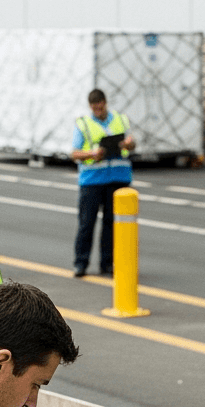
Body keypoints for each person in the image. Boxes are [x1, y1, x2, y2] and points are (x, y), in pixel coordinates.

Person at [69, 88, 135, 278]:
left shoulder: (120, 119)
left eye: (101, 107)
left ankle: (107, 263)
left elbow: (132, 143)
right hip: (92, 180)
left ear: (105, 103)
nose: (98, 111)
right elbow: (74, 153)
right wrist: (92, 153)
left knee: (111, 225)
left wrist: (129, 144)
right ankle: (81, 263)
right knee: (86, 224)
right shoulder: (83, 124)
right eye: (95, 108)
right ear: (90, 106)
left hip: (118, 179)